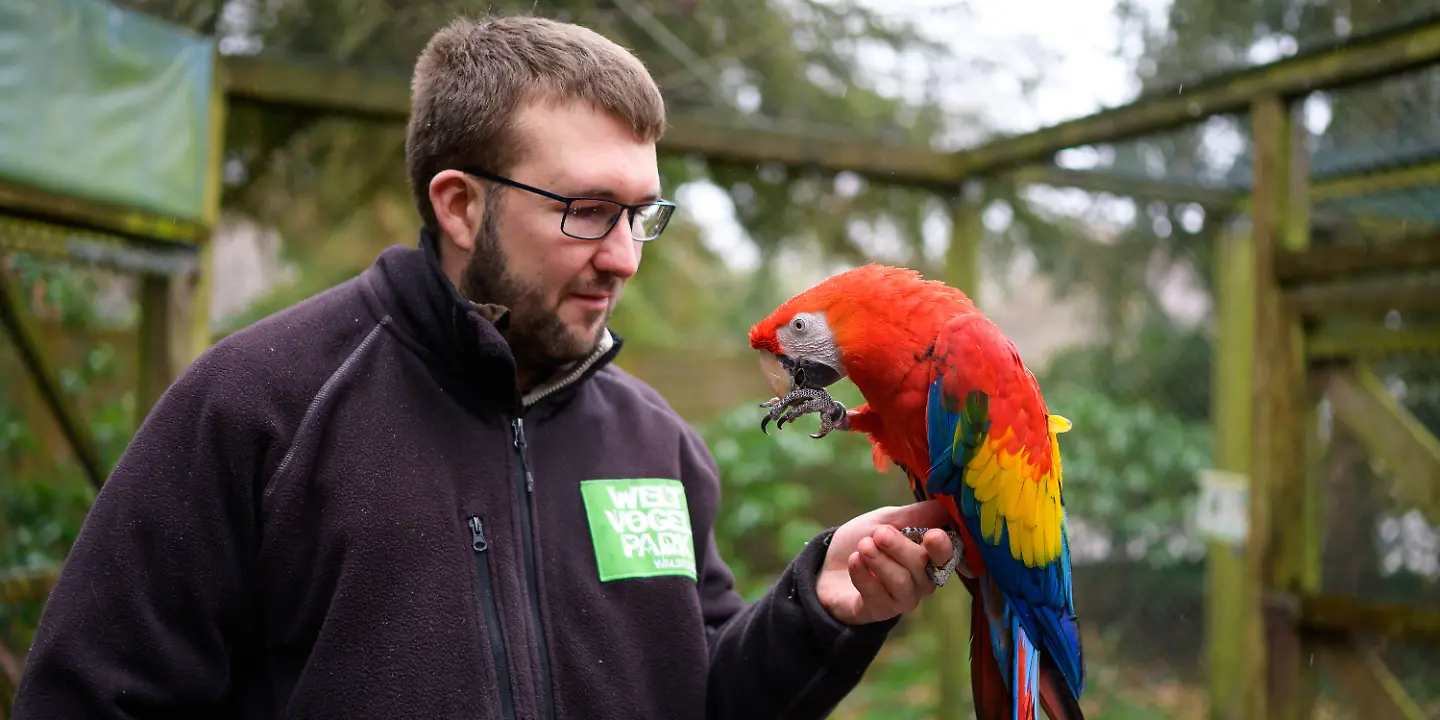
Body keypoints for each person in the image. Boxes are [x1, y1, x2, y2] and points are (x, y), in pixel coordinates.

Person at [12, 14, 959, 720]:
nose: (626, 255)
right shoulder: (258, 409)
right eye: (588, 210)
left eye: (642, 214)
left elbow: (697, 691)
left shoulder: (653, 442)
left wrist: (815, 610)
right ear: (460, 206)